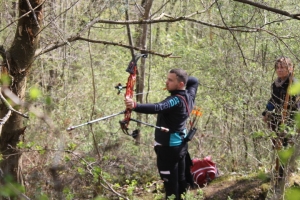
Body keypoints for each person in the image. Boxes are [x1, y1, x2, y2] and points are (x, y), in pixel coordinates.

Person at [125, 69, 199, 200]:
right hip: (181, 148)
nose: (167, 82)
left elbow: (158, 107)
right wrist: (183, 78)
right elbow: (194, 81)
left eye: (171, 80)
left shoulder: (176, 100)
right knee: (181, 181)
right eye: (167, 79)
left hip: (168, 149)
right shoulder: (190, 95)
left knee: (171, 186)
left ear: (181, 84)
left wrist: (135, 105)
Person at [262, 56, 299, 181]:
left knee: (286, 145)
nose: (280, 70)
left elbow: (298, 104)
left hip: (290, 119)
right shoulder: (276, 84)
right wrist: (266, 112)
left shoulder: (294, 84)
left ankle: (284, 175)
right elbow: (273, 100)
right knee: (277, 145)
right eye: (278, 67)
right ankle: (279, 173)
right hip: (278, 119)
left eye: (283, 67)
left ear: (290, 68)